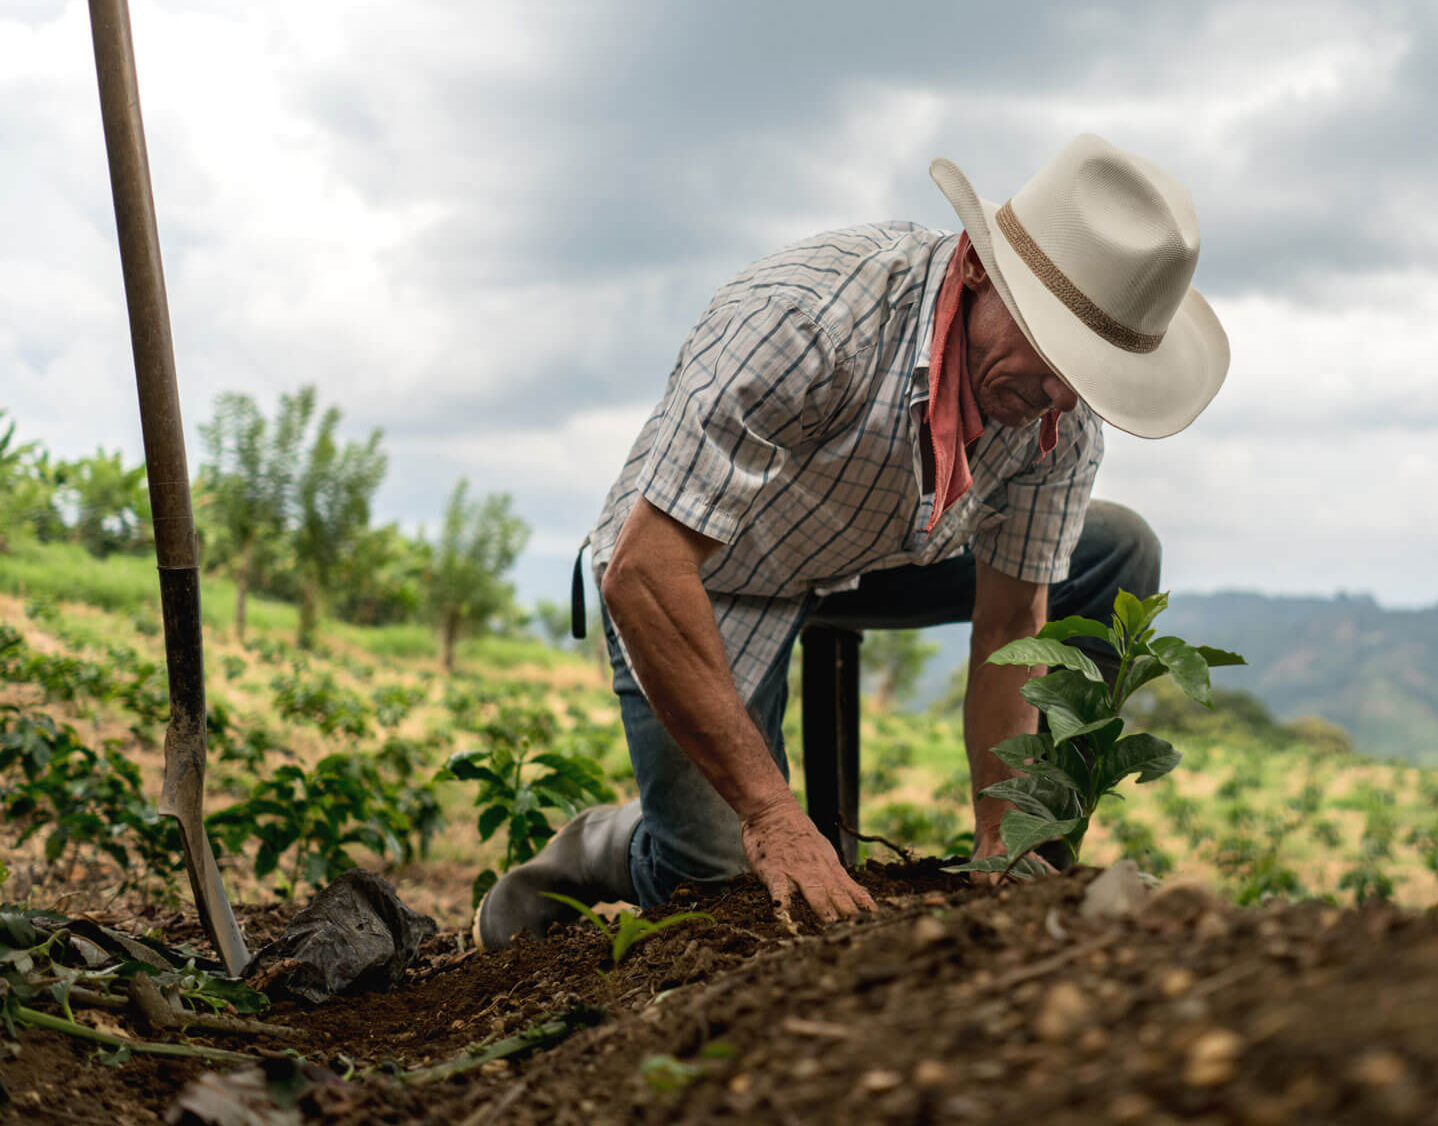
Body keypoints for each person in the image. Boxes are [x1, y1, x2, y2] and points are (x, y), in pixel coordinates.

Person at [474, 133, 1230, 947]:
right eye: (1052, 354)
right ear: (978, 269)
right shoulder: (808, 322)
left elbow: (1014, 625)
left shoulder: (1056, 415)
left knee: (1119, 550)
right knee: (722, 880)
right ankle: (603, 845)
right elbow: (645, 570)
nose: (1058, 397)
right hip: (708, 568)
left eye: (1085, 375)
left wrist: (1002, 839)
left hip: (879, 551)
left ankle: (1036, 860)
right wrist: (771, 814)